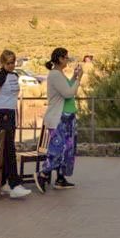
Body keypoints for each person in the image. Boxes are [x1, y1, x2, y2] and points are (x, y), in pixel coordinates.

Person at [0, 49, 30, 199]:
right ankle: (14, 184)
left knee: (6, 150)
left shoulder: (14, 76)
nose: (11, 65)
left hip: (11, 113)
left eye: (13, 62)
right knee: (9, 150)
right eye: (8, 63)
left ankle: (4, 182)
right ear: (3, 63)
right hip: (1, 114)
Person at [36, 47, 81, 192]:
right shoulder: (55, 75)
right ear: (60, 59)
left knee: (68, 149)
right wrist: (79, 79)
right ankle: (43, 174)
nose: (68, 60)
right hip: (59, 117)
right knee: (58, 149)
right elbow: (68, 93)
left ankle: (60, 178)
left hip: (67, 116)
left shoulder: (60, 74)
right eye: (66, 57)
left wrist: (74, 77)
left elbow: (67, 87)